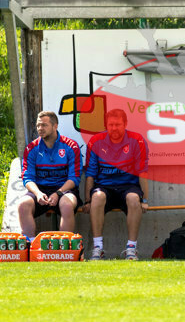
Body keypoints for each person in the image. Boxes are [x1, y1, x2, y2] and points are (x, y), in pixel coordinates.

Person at [82, 109, 149, 260]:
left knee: (133, 198)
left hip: (128, 186)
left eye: (118, 124)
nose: (114, 128)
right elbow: (90, 174)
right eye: (110, 125)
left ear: (125, 124)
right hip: (104, 187)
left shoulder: (137, 140)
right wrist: (87, 200)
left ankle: (131, 248)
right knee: (97, 197)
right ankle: (98, 248)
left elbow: (142, 172)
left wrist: (144, 200)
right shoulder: (96, 141)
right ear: (106, 125)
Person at [17, 111, 81, 241]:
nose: (40, 129)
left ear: (55, 126)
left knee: (67, 205)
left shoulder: (71, 146)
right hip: (40, 191)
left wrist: (58, 193)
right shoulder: (31, 148)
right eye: (38, 125)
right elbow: (27, 178)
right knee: (23, 205)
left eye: (44, 125)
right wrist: (38, 193)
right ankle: (30, 246)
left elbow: (74, 178)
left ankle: (64, 248)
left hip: (64, 190)